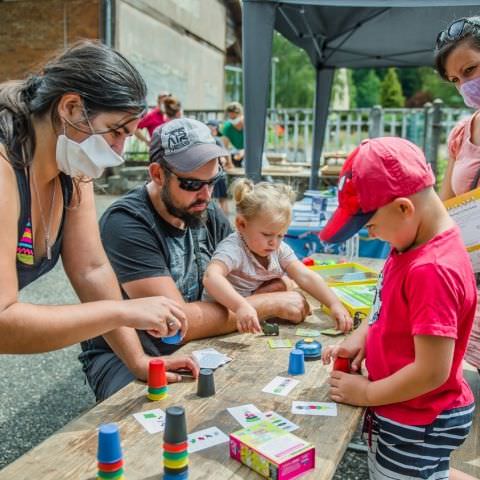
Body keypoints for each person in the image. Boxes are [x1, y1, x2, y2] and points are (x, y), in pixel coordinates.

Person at [81, 118, 311, 400]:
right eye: (191, 183)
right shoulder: (126, 223)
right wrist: (268, 302)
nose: (206, 195)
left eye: (214, 181)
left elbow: (258, 279)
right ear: (157, 174)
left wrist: (258, 296)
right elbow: (177, 323)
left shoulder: (203, 209)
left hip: (203, 343)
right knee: (155, 421)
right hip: (129, 354)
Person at [0, 41, 194, 370]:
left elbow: (92, 269)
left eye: (128, 136)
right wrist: (123, 311)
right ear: (71, 108)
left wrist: (138, 360)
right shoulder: (4, 172)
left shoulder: (72, 170)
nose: (119, 151)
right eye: (115, 132)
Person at [320, 137, 476, 480]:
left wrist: (367, 393)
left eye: (371, 226)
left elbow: (432, 371)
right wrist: (363, 337)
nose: (372, 235)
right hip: (407, 411)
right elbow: (386, 307)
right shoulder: (410, 243)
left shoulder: (431, 269)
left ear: (404, 208)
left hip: (418, 419)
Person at [203, 179, 352, 334]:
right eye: (267, 234)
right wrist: (241, 306)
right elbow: (211, 277)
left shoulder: (278, 249)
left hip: (251, 317)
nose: (274, 243)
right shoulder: (233, 248)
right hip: (222, 316)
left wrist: (334, 304)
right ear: (241, 224)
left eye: (281, 235)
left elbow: (305, 275)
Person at [435, 16, 480, 376]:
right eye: (456, 80)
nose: (465, 85)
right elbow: (445, 211)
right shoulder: (462, 134)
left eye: (471, 70)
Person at [206, 119, 232, 214]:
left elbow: (224, 155)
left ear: (215, 130)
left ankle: (222, 218)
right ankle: (222, 218)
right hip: (215, 174)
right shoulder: (212, 140)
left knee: (220, 198)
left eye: (211, 128)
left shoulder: (216, 140)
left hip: (217, 173)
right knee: (219, 198)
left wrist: (228, 162)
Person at [222, 102, 244, 167]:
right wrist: (229, 162)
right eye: (230, 117)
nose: (232, 119)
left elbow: (256, 144)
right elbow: (225, 147)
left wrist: (244, 151)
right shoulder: (227, 127)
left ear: (241, 114)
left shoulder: (250, 124)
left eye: (234, 118)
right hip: (237, 151)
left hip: (253, 151)